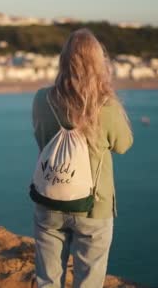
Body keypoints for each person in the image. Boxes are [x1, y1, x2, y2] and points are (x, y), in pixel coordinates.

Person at [31, 28, 133, 287]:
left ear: (64, 60)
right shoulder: (105, 105)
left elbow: (41, 138)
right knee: (88, 281)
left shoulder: (42, 98)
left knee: (47, 280)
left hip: (50, 197)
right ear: (99, 62)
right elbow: (123, 144)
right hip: (94, 207)